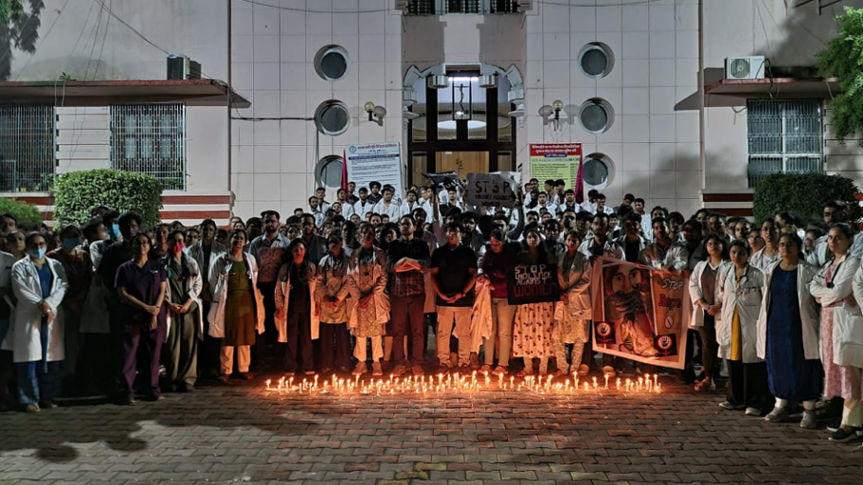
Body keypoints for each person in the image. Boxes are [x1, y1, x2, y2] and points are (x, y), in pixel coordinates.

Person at [758, 233, 821, 429]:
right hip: (776, 325)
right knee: (778, 364)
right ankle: (781, 404)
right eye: (782, 244)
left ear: (798, 246)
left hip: (800, 325)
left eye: (790, 244)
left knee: (803, 365)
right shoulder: (772, 270)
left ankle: (809, 409)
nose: (785, 248)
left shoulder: (810, 271)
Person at [810, 223, 863, 441]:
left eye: (838, 237)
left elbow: (844, 289)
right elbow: (812, 285)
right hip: (830, 321)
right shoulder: (830, 263)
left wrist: (824, 297)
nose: (833, 242)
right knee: (839, 370)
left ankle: (850, 422)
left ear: (850, 240)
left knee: (850, 371)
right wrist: (827, 295)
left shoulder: (853, 262)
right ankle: (850, 419)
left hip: (845, 321)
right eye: (830, 237)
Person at [8, 233, 68, 412]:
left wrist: (49, 304)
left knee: (51, 360)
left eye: (42, 244)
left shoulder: (55, 265)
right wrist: (41, 304)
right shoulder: (19, 267)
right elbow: (20, 289)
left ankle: (48, 397)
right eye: (34, 245)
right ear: (27, 247)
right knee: (29, 361)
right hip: (30, 315)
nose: (38, 248)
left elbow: (63, 285)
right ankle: (29, 399)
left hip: (51, 315)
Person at [717, 240, 770, 417]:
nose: (736, 256)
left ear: (747, 255)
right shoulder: (726, 272)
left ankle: (754, 402)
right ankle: (735, 398)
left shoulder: (757, 274)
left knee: (752, 364)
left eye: (740, 253)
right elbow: (722, 293)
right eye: (733, 252)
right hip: (731, 322)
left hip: (750, 323)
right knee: (733, 361)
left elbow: (765, 298)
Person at [114, 233, 167, 405]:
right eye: (138, 242)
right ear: (131, 245)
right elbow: (122, 293)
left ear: (150, 246)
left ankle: (151, 389)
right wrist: (145, 308)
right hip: (132, 316)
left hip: (154, 316)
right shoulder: (124, 268)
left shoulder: (157, 266)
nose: (142, 246)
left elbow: (162, 289)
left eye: (145, 242)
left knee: (153, 354)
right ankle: (127, 391)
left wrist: (154, 311)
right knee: (129, 354)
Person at [209, 229, 265, 383]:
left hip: (246, 302)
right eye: (235, 238)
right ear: (230, 240)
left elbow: (254, 279)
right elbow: (212, 281)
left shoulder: (250, 259)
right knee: (227, 336)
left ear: (245, 242)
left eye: (241, 238)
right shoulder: (221, 260)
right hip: (228, 302)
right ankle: (225, 370)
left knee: (245, 337)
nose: (238, 241)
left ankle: (243, 368)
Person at [430, 222, 477, 370]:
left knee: (464, 333)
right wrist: (441, 294)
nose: (452, 235)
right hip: (444, 300)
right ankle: (443, 361)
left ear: (460, 235)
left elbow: (473, 275)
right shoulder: (439, 253)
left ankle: (464, 362)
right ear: (445, 234)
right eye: (449, 232)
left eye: (455, 232)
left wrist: (462, 293)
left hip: (463, 300)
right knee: (443, 332)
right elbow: (433, 274)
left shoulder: (468, 252)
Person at [386, 215, 430, 376]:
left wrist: (405, 260)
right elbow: (392, 267)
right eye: (402, 224)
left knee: (418, 330)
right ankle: (400, 362)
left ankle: (417, 362)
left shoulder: (421, 244)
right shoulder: (394, 245)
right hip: (398, 293)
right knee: (398, 330)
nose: (405, 227)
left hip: (417, 292)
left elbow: (425, 265)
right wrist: (413, 264)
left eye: (408, 224)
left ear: (413, 226)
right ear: (399, 226)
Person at [161, 230, 203, 392]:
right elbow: (158, 287)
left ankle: (188, 379)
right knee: (172, 346)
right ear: (168, 243)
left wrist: (188, 301)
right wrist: (168, 303)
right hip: (171, 308)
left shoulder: (190, 262)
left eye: (181, 241)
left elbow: (198, 283)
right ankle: (171, 378)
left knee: (189, 344)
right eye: (174, 241)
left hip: (188, 308)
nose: (178, 245)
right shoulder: (162, 264)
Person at [247, 210, 290, 369]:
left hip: (278, 289)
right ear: (262, 223)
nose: (270, 224)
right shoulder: (255, 243)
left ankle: (279, 362)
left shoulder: (286, 243)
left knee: (278, 324)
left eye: (273, 221)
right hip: (261, 288)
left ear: (278, 223)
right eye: (267, 221)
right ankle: (259, 362)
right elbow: (251, 266)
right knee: (260, 324)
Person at [688, 233, 730, 392]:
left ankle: (731, 378)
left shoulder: (728, 266)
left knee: (725, 342)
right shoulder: (701, 266)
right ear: (705, 247)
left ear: (722, 246)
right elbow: (693, 284)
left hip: (723, 310)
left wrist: (719, 305)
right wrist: (703, 304)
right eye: (710, 244)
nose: (713, 246)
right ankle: (708, 377)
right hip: (704, 310)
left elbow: (731, 287)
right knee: (707, 344)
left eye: (717, 243)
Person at [512, 226, 555, 376]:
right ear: (525, 239)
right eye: (529, 237)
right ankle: (528, 366)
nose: (532, 239)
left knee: (545, 332)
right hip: (526, 300)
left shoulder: (547, 255)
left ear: (540, 238)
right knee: (525, 331)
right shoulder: (521, 255)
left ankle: (543, 367)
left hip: (543, 301)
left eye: (535, 237)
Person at [187, 219, 226, 380]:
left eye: (211, 229)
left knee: (213, 330)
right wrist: (199, 289)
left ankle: (212, 365)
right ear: (200, 230)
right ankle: (200, 365)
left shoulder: (221, 250)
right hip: (196, 293)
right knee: (198, 330)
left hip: (213, 293)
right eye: (205, 229)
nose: (207, 232)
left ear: (214, 232)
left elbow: (222, 272)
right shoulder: (191, 250)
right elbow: (190, 270)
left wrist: (211, 290)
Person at [348, 225, 388, 376]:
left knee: (376, 332)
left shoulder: (379, 254)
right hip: (359, 298)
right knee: (360, 331)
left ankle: (377, 362)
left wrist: (371, 294)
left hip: (375, 298)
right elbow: (350, 277)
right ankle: (361, 362)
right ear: (359, 235)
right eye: (364, 232)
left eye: (370, 232)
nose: (367, 235)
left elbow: (384, 276)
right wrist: (359, 297)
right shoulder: (354, 255)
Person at [477, 229, 518, 375]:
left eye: (497, 244)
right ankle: (488, 362)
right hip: (490, 296)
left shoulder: (511, 255)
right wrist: (482, 274)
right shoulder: (489, 254)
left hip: (506, 297)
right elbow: (482, 265)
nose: (494, 247)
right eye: (492, 244)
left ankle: (503, 363)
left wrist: (494, 279)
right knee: (489, 330)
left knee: (504, 331)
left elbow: (511, 276)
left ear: (504, 241)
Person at [275, 239, 319, 375]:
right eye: (295, 249)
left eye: (301, 249)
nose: (298, 252)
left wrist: (318, 304)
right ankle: (290, 367)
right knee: (290, 338)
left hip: (307, 307)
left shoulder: (311, 267)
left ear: (305, 251)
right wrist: (280, 307)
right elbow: (278, 290)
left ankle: (308, 366)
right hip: (291, 307)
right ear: (291, 251)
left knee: (307, 338)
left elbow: (317, 289)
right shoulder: (285, 268)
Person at [554, 231, 592, 377]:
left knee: (579, 336)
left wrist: (569, 292)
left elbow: (586, 280)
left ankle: (574, 367)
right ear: (565, 241)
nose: (571, 242)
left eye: (574, 240)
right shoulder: (560, 257)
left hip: (578, 301)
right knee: (557, 335)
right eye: (569, 240)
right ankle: (562, 366)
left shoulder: (584, 259)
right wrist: (560, 292)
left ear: (579, 242)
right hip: (561, 301)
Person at [316, 235, 353, 374]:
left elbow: (349, 281)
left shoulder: (347, 261)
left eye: (336, 242)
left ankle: (344, 362)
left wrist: (338, 298)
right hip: (326, 302)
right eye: (330, 242)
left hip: (341, 302)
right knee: (326, 335)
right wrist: (325, 297)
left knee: (342, 335)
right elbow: (319, 282)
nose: (333, 245)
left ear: (341, 244)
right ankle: (326, 363)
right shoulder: (323, 261)